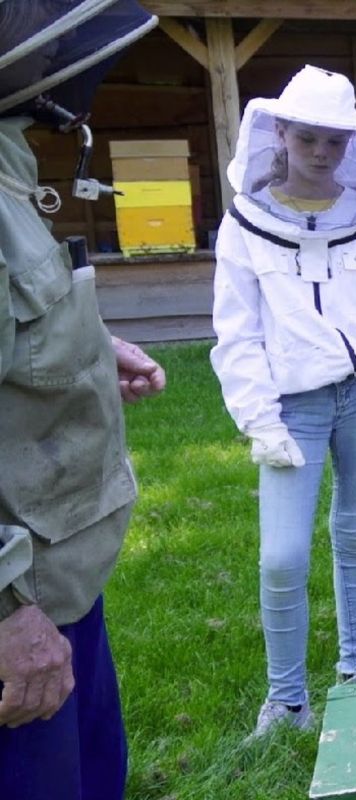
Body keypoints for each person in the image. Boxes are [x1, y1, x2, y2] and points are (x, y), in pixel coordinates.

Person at [209, 65, 356, 740]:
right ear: (280, 132)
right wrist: (259, 420)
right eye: (309, 139)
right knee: (281, 556)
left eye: (335, 142)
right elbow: (236, 330)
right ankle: (286, 703)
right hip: (291, 408)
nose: (322, 154)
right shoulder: (245, 223)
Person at [1, 3, 166, 798]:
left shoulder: (6, 152)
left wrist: (90, 352)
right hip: (16, 609)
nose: (60, 39)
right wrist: (6, 616)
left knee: (96, 779)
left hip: (58, 581)